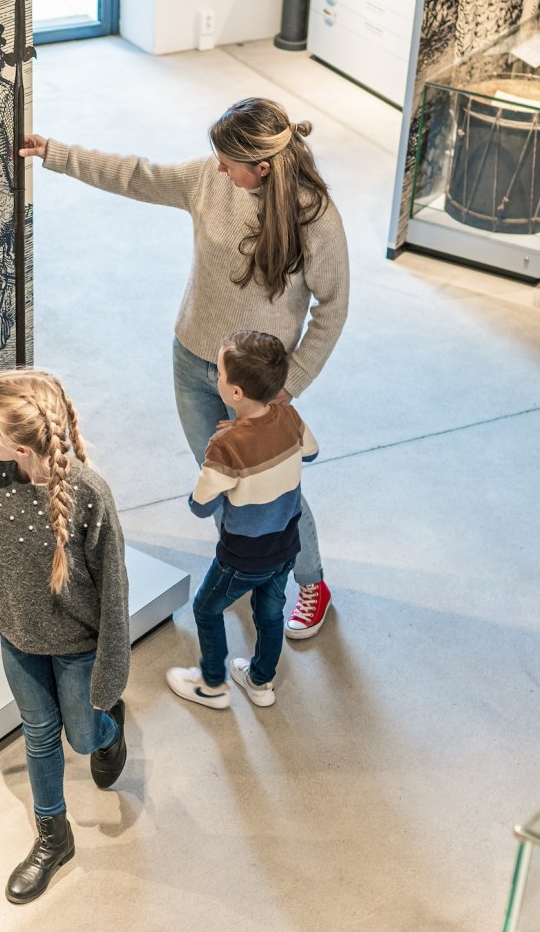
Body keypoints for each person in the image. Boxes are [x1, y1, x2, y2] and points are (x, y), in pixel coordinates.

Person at [20, 97, 348, 639]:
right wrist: (56, 153)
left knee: (276, 490)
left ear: (261, 166)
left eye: (228, 161)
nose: (217, 168)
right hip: (193, 359)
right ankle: (246, 564)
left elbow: (333, 307)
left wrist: (291, 383)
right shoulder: (209, 181)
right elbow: (138, 176)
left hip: (261, 386)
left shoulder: (314, 217)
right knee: (222, 480)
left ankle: (311, 579)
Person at [0, 369, 130, 905]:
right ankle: (53, 836)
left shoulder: (89, 494)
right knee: (39, 733)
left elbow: (114, 593)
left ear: (23, 442)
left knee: (81, 735)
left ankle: (107, 729)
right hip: (19, 638)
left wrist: (109, 675)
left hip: (78, 647)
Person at [167, 331, 318, 711]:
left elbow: (201, 506)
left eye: (219, 373)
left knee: (206, 608)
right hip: (286, 545)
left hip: (243, 555)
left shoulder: (224, 446)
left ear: (235, 393)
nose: (216, 378)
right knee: (270, 613)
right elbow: (311, 453)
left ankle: (212, 684)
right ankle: (260, 682)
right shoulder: (289, 415)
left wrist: (226, 450)